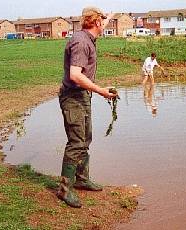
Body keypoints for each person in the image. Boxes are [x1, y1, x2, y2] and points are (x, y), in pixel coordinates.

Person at [57, 6, 117, 208]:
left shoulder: (88, 36)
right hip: (73, 96)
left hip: (82, 95)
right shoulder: (82, 42)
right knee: (76, 142)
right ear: (96, 23)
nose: (106, 23)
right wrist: (101, 90)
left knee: (85, 138)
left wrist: (109, 16)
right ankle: (64, 190)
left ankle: (81, 179)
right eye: (103, 20)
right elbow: (75, 75)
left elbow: (101, 24)